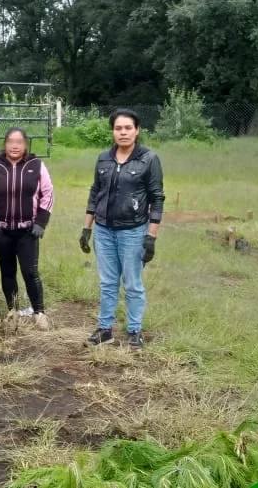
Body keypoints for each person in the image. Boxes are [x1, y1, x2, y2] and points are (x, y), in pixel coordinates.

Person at [80, 109, 165, 351]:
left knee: (132, 283)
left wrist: (151, 236)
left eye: (128, 128)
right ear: (113, 131)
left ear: (137, 130)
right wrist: (87, 229)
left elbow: (157, 198)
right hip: (104, 231)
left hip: (133, 232)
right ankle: (104, 329)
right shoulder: (103, 159)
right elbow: (95, 193)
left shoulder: (148, 159)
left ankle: (134, 330)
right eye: (118, 128)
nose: (123, 132)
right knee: (107, 282)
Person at [0, 127, 54, 330]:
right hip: (1, 231)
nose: (15, 145)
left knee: (30, 272)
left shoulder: (36, 165)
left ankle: (39, 312)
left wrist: (41, 222)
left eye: (19, 141)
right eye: (11, 141)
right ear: (5, 144)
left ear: (26, 144)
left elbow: (48, 193)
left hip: (27, 231)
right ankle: (13, 311)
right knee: (7, 272)